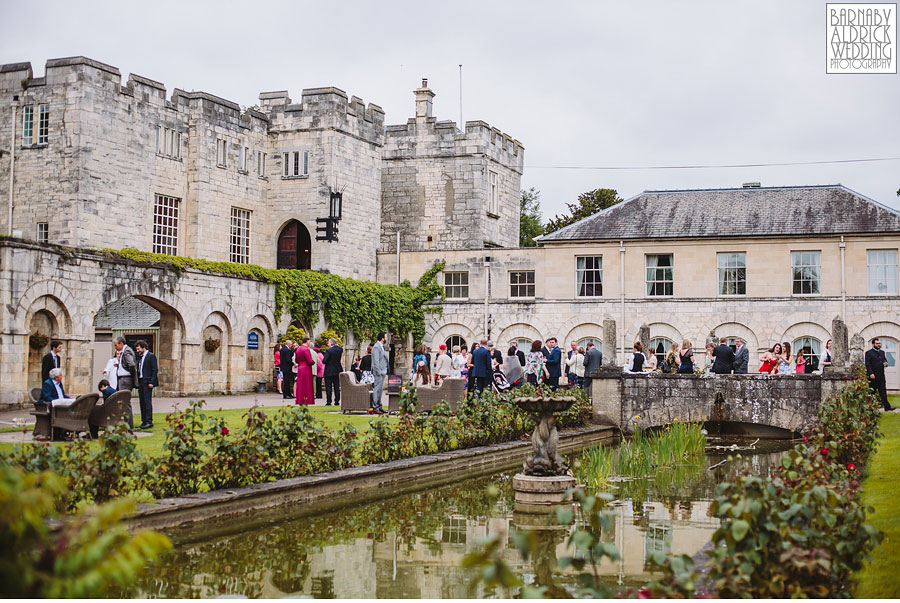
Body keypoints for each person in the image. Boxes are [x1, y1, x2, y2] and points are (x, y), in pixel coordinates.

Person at [134, 340, 158, 429]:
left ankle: (149, 421)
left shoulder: (151, 356)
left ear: (144, 347)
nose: (137, 351)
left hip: (147, 382)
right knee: (142, 401)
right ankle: (143, 421)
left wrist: (152, 382)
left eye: (138, 349)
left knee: (147, 401)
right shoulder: (140, 357)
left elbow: (154, 369)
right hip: (141, 381)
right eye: (136, 349)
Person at [865, 337, 893, 411]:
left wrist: (886, 363)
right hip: (873, 376)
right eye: (877, 343)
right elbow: (867, 364)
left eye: (879, 343)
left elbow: (884, 360)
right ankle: (870, 408)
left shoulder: (882, 352)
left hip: (881, 376)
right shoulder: (868, 353)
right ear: (873, 344)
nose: (878, 345)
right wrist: (871, 373)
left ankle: (887, 407)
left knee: (883, 392)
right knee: (872, 393)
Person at [294, 336, 315, 405]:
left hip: (300, 368)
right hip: (306, 368)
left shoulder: (298, 349)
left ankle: (300, 400)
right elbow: (309, 360)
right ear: (307, 341)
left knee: (300, 385)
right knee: (306, 385)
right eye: (309, 341)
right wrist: (313, 362)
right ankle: (306, 400)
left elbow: (296, 360)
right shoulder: (306, 349)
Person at [323, 338, 343, 406]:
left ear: (331, 343)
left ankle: (329, 401)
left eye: (328, 342)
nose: (328, 344)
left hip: (329, 370)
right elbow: (339, 348)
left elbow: (324, 361)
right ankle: (337, 401)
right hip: (337, 369)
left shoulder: (329, 351)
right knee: (336, 386)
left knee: (328, 386)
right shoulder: (340, 350)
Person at [371, 332, 388, 413]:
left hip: (382, 371)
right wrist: (379, 371)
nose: (387, 338)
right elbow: (376, 361)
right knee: (377, 389)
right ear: (382, 338)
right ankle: (375, 407)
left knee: (380, 390)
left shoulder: (381, 346)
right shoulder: (376, 347)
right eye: (386, 337)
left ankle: (379, 406)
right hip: (379, 372)